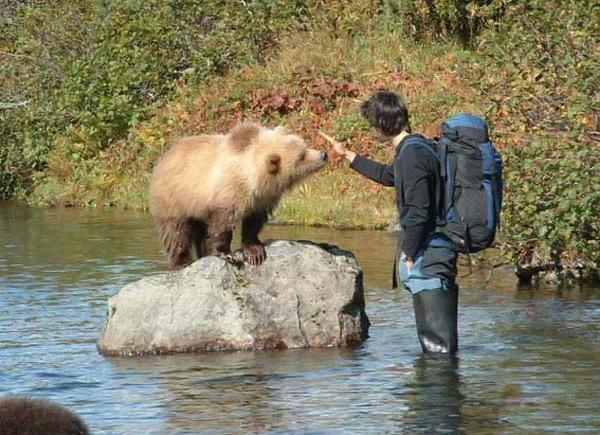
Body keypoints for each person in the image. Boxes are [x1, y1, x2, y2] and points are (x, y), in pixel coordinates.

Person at [320, 90, 459, 353]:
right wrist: (348, 155)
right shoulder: (417, 147)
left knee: (438, 349)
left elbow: (419, 211)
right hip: (434, 249)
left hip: (429, 254)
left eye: (373, 125)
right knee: (438, 346)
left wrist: (409, 252)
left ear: (381, 126)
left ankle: (438, 392)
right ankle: (435, 391)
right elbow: (388, 175)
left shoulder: (412, 155)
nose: (373, 130)